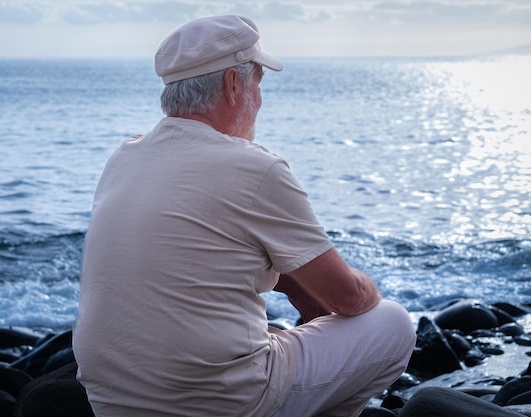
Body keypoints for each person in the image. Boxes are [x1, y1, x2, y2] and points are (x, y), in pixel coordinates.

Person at [73, 14, 416, 417]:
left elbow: (192, 254)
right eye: (257, 81)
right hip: (221, 402)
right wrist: (365, 291)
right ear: (233, 86)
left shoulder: (125, 157)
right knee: (393, 323)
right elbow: (350, 298)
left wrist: (294, 283)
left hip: (113, 400)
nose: (259, 97)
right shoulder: (254, 167)